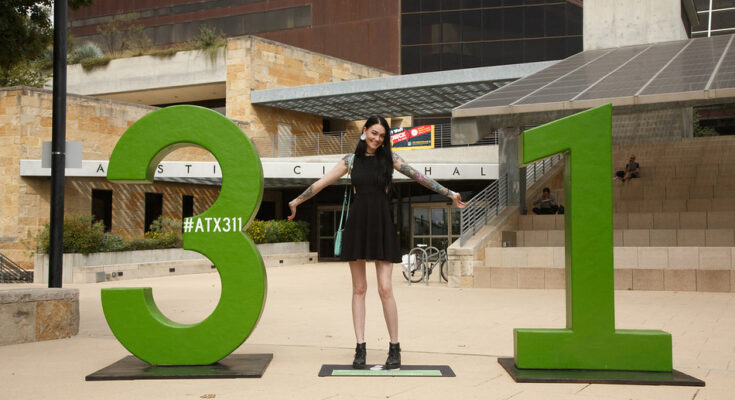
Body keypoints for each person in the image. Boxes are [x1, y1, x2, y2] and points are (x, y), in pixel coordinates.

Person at [287, 115, 466, 370]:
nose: (377, 139)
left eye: (382, 135)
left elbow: (419, 177)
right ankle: (360, 347)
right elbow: (321, 183)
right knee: (359, 289)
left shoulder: (390, 159)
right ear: (364, 131)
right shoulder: (350, 161)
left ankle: (394, 347)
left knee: (385, 289)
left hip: (381, 224)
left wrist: (449, 193)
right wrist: (296, 201)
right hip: (358, 225)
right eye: (374, 133)